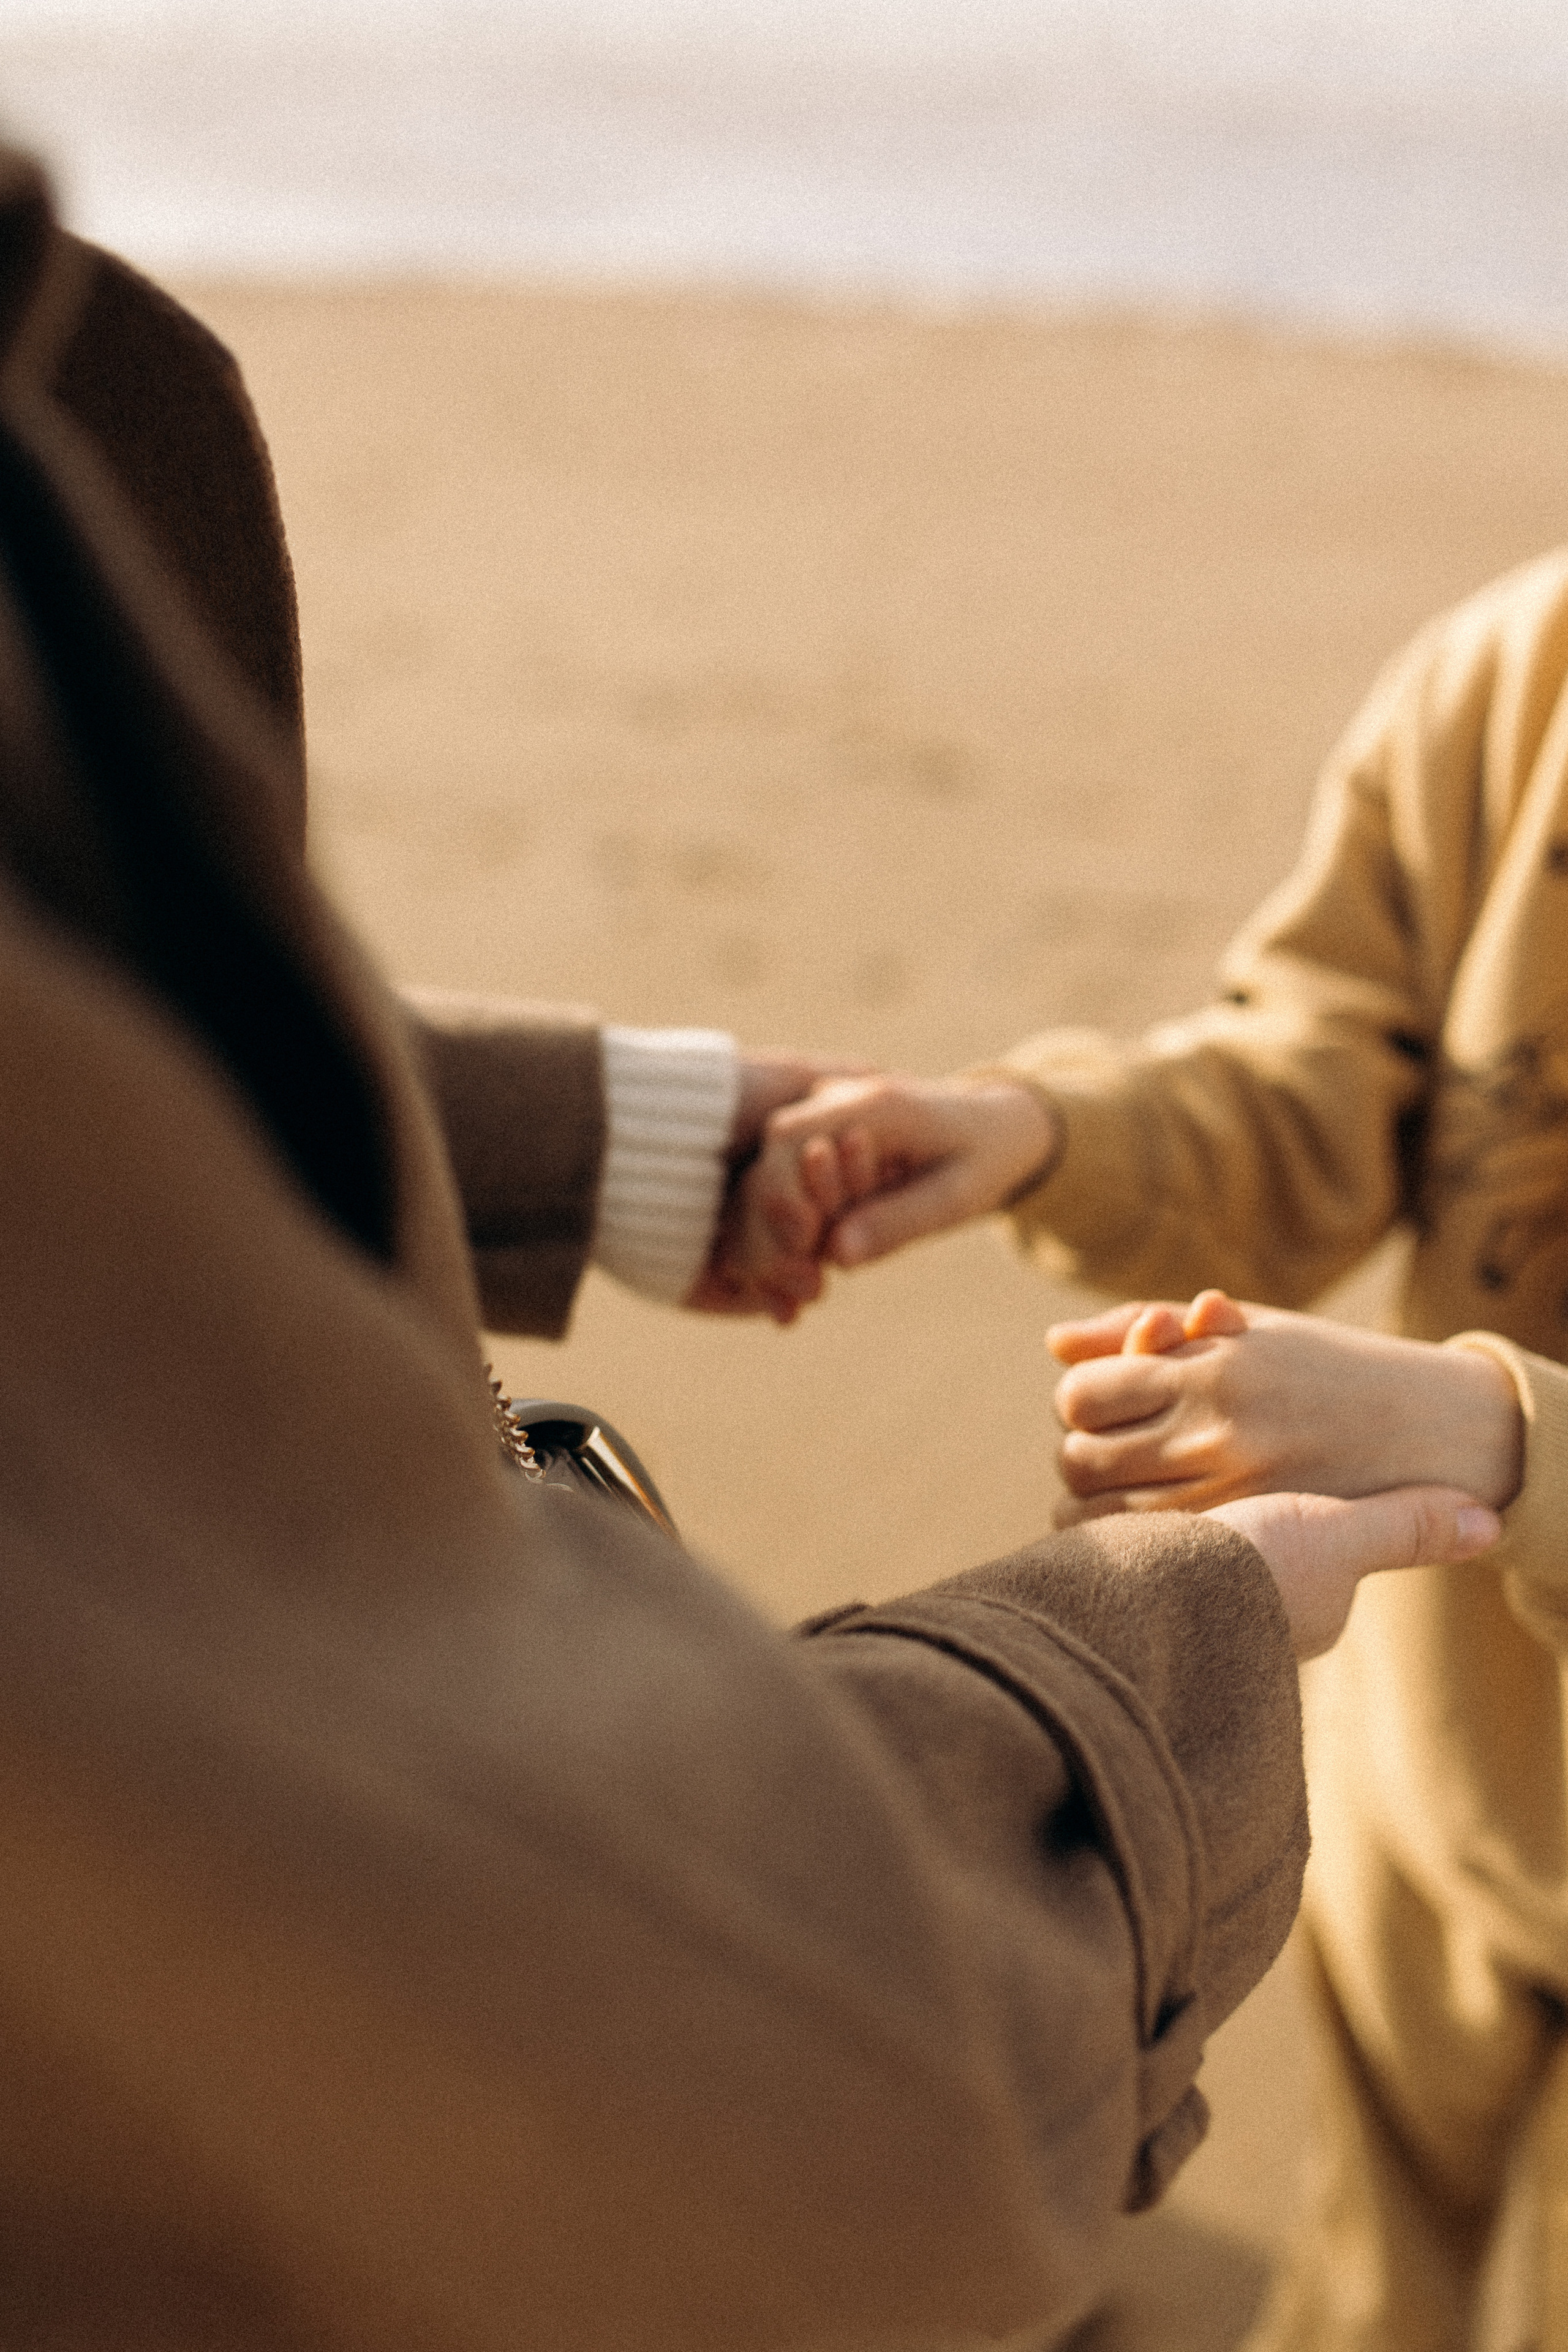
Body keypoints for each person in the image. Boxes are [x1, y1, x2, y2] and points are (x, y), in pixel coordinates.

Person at [0, 149, 1498, 2348]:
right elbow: (740, 2069)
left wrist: (628, 1138)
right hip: (1423, 1824)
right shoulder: (1495, 693)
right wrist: (1137, 1624)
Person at [733, 540, 1568, 2345]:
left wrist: (1494, 1435)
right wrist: (1047, 1131)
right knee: (1374, 2292)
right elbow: (1325, 1076)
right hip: (1436, 1787)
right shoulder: (1517, 672)